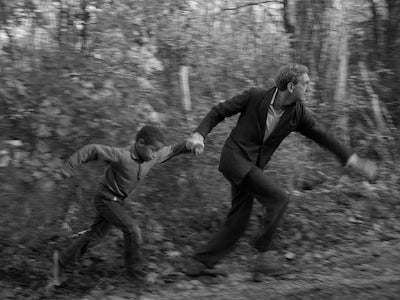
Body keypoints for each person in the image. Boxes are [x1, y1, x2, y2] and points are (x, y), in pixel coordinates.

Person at [185, 63, 378, 279]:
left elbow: (323, 135)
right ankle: (263, 257)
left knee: (238, 221)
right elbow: (218, 111)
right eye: (305, 84)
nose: (309, 87)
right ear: (291, 86)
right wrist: (199, 134)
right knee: (279, 198)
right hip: (234, 159)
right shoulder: (255, 96)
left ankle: (199, 262)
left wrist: (354, 160)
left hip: (252, 167)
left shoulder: (297, 113)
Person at [48, 125, 203, 287]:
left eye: (157, 151)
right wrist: (67, 169)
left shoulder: (152, 157)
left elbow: (173, 150)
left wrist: (191, 145)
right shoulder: (122, 156)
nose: (155, 154)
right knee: (132, 229)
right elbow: (92, 149)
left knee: (95, 236)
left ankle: (61, 261)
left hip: (116, 202)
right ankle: (135, 276)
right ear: (140, 143)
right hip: (105, 199)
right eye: (153, 149)